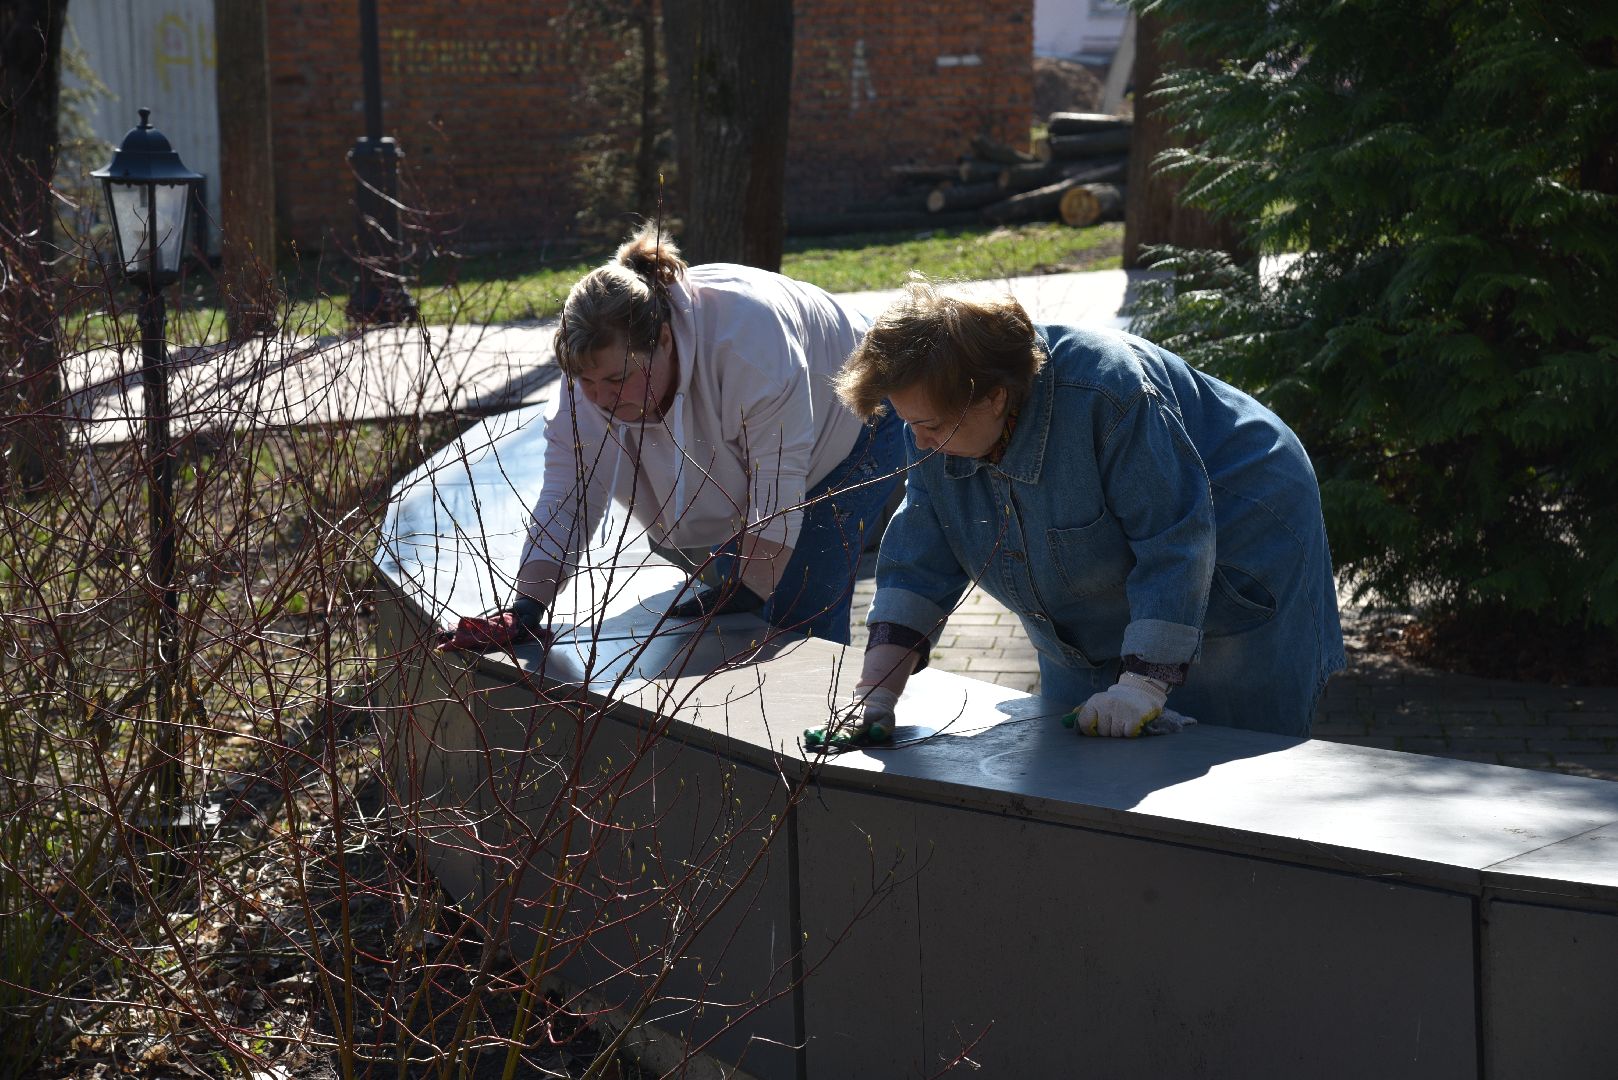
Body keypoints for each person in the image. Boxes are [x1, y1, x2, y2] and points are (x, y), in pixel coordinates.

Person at [814, 279, 1345, 746]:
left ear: (995, 398)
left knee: (1222, 749)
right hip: (1141, 544)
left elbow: (1174, 539)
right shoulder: (935, 419)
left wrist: (1143, 682)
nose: (919, 440)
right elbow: (920, 554)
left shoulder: (1108, 391)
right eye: (911, 424)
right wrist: (874, 693)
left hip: (1240, 527)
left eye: (931, 425)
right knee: (1082, 743)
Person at [437, 224, 906, 653]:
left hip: (857, 413)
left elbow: (777, 494)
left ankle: (813, 732)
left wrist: (748, 590)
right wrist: (524, 611)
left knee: (793, 608)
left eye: (618, 380)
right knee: (736, 608)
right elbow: (569, 500)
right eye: (587, 382)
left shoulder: (749, 350)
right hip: (767, 441)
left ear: (662, 340)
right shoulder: (587, 386)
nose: (600, 399)